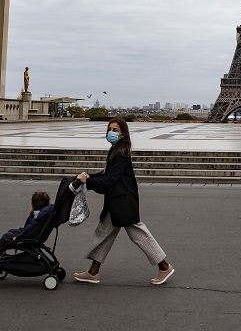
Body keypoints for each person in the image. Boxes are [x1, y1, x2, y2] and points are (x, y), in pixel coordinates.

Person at [74, 117, 174, 285]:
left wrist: (88, 181)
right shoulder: (114, 149)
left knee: (140, 236)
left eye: (115, 130)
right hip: (117, 201)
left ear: (122, 134)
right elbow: (107, 174)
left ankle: (164, 267)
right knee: (103, 234)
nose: (111, 132)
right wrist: (90, 177)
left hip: (123, 203)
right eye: (110, 129)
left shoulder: (121, 153)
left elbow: (111, 179)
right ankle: (93, 271)